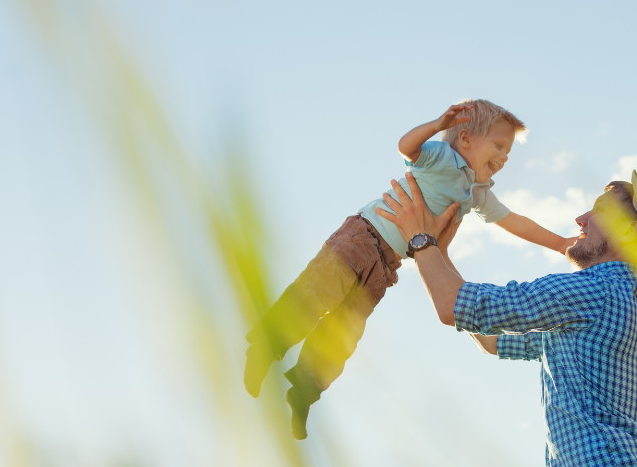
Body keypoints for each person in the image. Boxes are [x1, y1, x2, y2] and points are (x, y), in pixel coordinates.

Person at [377, 170, 637, 467]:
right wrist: (438, 253)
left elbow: (455, 307)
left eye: (597, 211)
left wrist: (421, 239)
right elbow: (491, 340)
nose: (580, 220)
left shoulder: (597, 290)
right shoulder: (610, 303)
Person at [243, 100, 575, 440]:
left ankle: (304, 389)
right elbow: (406, 147)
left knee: (344, 332)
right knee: (315, 295)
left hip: (387, 265)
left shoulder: (476, 193)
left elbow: (514, 221)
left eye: (508, 152)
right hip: (362, 236)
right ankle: (266, 347)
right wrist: (436, 123)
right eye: (500, 146)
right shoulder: (441, 158)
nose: (504, 158)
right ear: (465, 140)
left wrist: (560, 243)